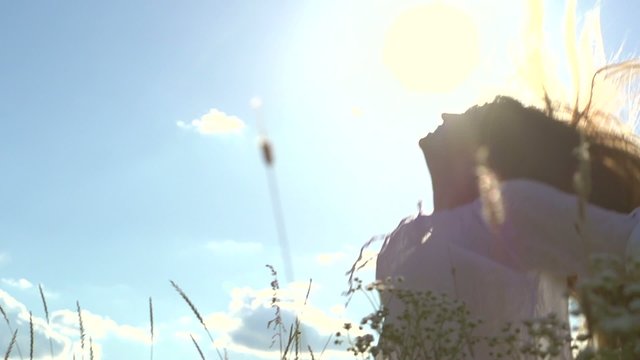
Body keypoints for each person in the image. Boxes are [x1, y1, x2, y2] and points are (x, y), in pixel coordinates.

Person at [375, 89, 640, 359]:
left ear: (482, 148)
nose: (446, 114)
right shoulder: (417, 240)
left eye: (470, 115)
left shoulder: (512, 210)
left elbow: (629, 241)